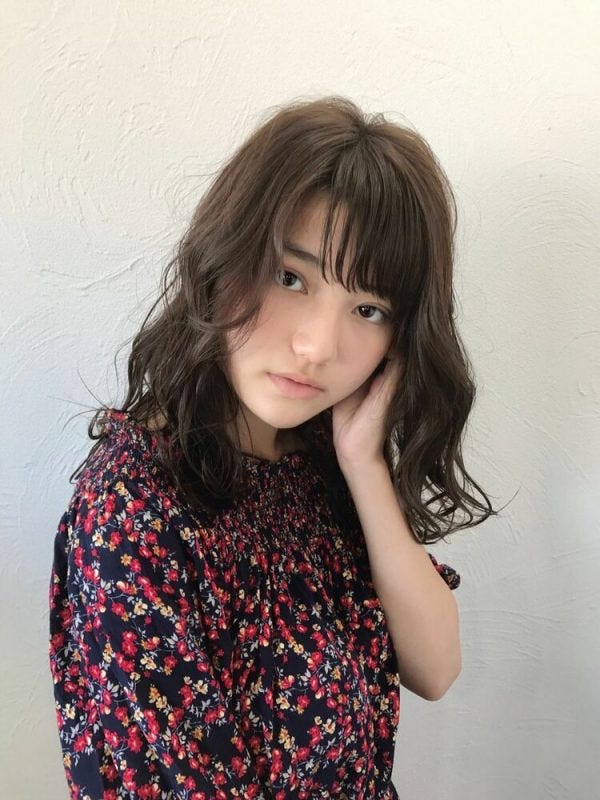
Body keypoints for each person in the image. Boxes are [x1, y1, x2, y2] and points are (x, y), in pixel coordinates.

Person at [48, 95, 494, 799]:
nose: (317, 346)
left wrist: (364, 465)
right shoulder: (135, 511)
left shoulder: (318, 463)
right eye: (291, 278)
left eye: (368, 309)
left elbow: (435, 667)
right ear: (225, 258)